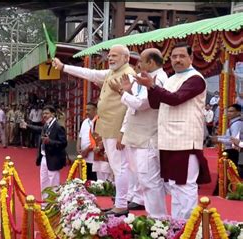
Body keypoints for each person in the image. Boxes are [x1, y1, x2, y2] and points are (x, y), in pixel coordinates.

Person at [53, 44, 136, 216]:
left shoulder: (128, 75)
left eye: (115, 56)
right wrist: (63, 67)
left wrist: (123, 131)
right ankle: (120, 203)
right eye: (110, 55)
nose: (110, 58)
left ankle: (121, 205)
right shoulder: (112, 73)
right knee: (116, 166)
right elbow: (90, 74)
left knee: (120, 167)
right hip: (108, 126)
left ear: (126, 58)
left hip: (117, 128)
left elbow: (133, 106)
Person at [134, 42, 211, 220]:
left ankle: (188, 229)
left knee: (185, 186)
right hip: (168, 139)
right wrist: (149, 87)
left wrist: (153, 86)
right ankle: (177, 226)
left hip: (185, 140)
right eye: (174, 56)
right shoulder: (170, 78)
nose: (177, 60)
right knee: (175, 186)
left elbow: (176, 99)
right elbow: (155, 104)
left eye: (182, 56)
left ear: (191, 58)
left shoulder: (195, 79)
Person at [110, 48, 169, 218]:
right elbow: (133, 106)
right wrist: (128, 91)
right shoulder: (143, 79)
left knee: (149, 181)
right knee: (143, 181)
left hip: (148, 137)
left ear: (151, 62)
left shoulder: (159, 79)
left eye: (141, 61)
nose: (138, 65)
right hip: (137, 136)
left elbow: (142, 104)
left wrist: (122, 92)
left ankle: (158, 219)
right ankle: (154, 218)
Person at [22, 105, 67, 201]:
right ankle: (45, 203)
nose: (44, 115)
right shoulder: (46, 125)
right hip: (43, 157)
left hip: (53, 158)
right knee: (44, 181)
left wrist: (49, 141)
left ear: (53, 113)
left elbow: (63, 143)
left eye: (47, 113)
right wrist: (27, 126)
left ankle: (53, 205)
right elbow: (39, 130)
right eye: (43, 113)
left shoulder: (58, 126)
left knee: (53, 182)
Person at [77, 103, 99, 181]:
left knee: (93, 181)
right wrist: (78, 147)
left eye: (89, 110)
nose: (86, 112)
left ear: (95, 110)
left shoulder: (98, 122)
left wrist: (87, 150)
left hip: (94, 157)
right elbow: (80, 136)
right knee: (85, 180)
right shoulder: (85, 122)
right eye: (86, 110)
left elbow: (97, 140)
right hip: (84, 157)